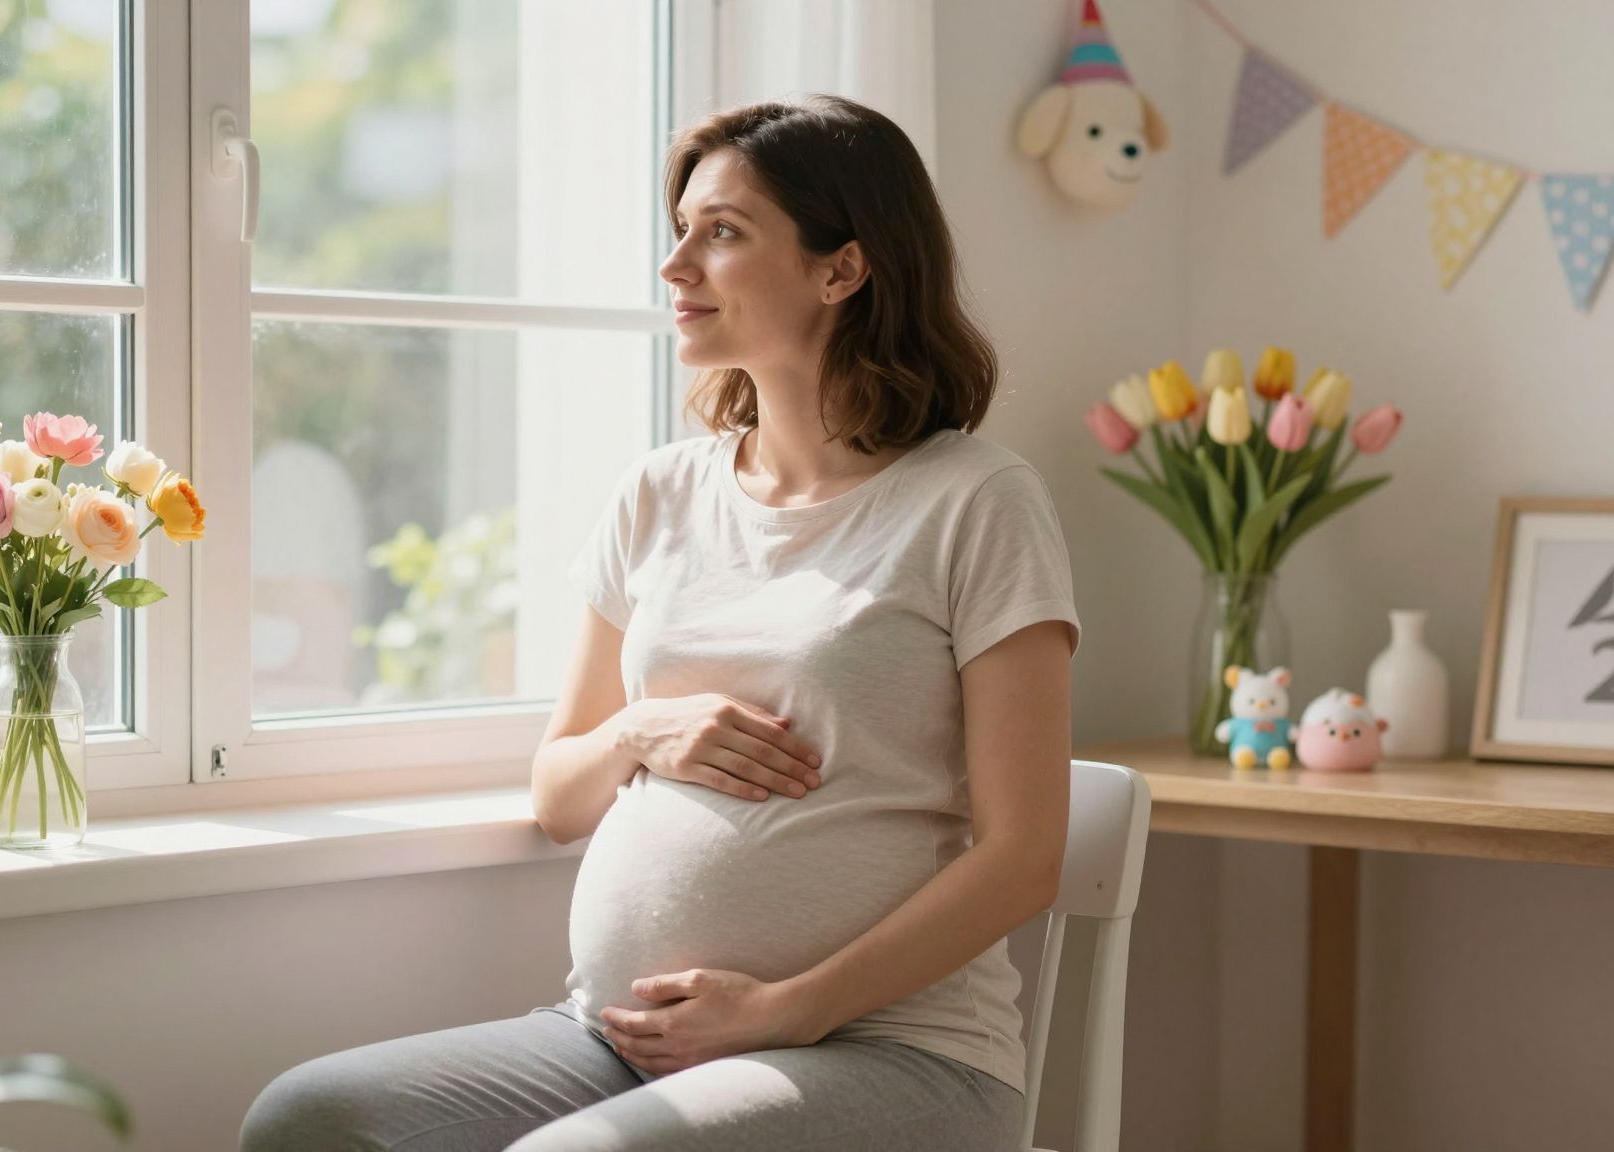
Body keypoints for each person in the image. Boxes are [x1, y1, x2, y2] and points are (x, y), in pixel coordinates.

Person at [240, 94, 1082, 1152]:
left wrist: (788, 1007)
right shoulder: (659, 494)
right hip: (618, 1038)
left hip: (893, 1050)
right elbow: (557, 797)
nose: (674, 265)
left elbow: (1023, 858)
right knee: (310, 1120)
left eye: (721, 233)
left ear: (842, 268)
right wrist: (642, 732)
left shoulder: (975, 501)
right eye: (678, 230)